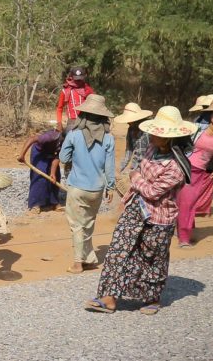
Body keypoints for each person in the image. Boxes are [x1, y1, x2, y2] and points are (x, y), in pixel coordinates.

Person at [85, 105, 196, 316]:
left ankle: (150, 298)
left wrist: (135, 179)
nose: (151, 135)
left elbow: (152, 191)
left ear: (169, 138)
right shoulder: (151, 149)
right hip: (136, 207)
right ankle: (108, 297)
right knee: (118, 249)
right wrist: (136, 180)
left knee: (151, 256)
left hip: (160, 217)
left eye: (157, 133)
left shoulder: (176, 168)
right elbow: (138, 170)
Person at [58, 94, 115, 274]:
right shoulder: (109, 138)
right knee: (89, 223)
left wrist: (75, 155)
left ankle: (77, 262)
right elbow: (109, 166)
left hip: (77, 187)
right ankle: (89, 258)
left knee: (76, 225)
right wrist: (111, 187)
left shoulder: (74, 135)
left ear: (84, 115)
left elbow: (63, 157)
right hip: (97, 189)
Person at [176, 99, 213, 248]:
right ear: (209, 115)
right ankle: (183, 234)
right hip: (185, 168)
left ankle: (185, 234)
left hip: (203, 174)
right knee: (183, 202)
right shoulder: (196, 128)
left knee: (189, 204)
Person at [17, 128, 62, 213]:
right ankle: (35, 204)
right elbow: (32, 139)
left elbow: (57, 157)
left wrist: (52, 173)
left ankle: (53, 203)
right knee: (39, 177)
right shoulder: (51, 136)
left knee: (56, 177)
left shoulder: (67, 143)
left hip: (52, 154)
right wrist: (22, 154)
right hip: (39, 153)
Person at [113, 102, 153, 173]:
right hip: (138, 166)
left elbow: (143, 155)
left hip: (149, 166)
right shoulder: (131, 129)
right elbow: (129, 150)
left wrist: (133, 170)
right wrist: (121, 168)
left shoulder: (147, 130)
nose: (128, 122)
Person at [56, 66, 95, 132]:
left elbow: (94, 106)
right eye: (76, 79)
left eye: (80, 79)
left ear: (83, 78)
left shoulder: (88, 90)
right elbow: (59, 108)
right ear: (71, 77)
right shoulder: (65, 91)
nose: (78, 81)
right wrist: (59, 123)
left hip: (86, 121)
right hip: (72, 122)